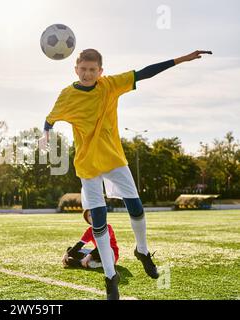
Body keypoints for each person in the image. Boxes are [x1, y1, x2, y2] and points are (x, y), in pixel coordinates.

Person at [43, 49, 212, 299]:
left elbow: (144, 73)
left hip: (113, 159)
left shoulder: (110, 85)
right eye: (83, 69)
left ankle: (142, 251)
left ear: (100, 71)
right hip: (88, 164)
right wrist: (45, 134)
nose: (88, 73)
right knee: (98, 218)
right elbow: (50, 119)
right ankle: (111, 276)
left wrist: (180, 59)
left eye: (93, 70)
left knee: (136, 207)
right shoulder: (67, 95)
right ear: (76, 69)